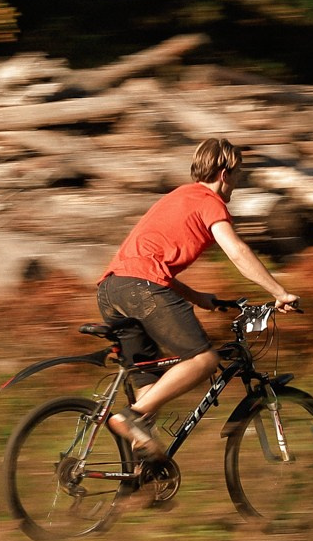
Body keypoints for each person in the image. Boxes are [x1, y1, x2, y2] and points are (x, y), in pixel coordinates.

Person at [97, 136, 299, 464]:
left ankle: (145, 477)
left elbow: (150, 264)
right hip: (140, 288)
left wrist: (198, 298)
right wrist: (279, 292)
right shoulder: (210, 202)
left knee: (149, 387)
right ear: (224, 174)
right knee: (204, 360)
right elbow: (236, 250)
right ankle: (131, 416)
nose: (238, 181)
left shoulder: (178, 196)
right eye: (238, 173)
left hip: (112, 290)